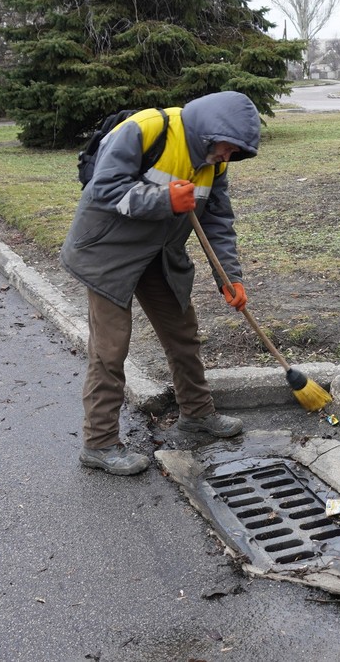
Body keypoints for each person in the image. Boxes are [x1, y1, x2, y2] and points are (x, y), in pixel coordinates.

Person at [61, 91, 259, 476]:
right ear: (209, 132)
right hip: (107, 254)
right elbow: (103, 189)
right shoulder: (147, 130)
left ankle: (198, 414)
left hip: (160, 256)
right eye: (227, 148)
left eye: (235, 153)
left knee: (183, 333)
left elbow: (218, 221)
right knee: (111, 348)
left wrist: (228, 277)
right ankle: (99, 443)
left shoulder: (213, 163)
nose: (227, 157)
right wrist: (164, 199)